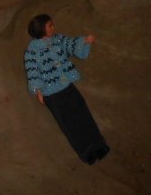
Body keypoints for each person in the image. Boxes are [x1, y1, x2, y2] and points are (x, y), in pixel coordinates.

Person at [23, 14, 109, 164]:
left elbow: (71, 44)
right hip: (51, 94)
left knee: (83, 113)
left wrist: (84, 41)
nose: (53, 27)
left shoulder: (58, 40)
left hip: (67, 86)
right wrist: (38, 90)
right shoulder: (32, 51)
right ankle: (86, 152)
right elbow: (32, 71)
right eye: (50, 25)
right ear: (42, 29)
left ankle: (99, 145)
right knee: (69, 123)